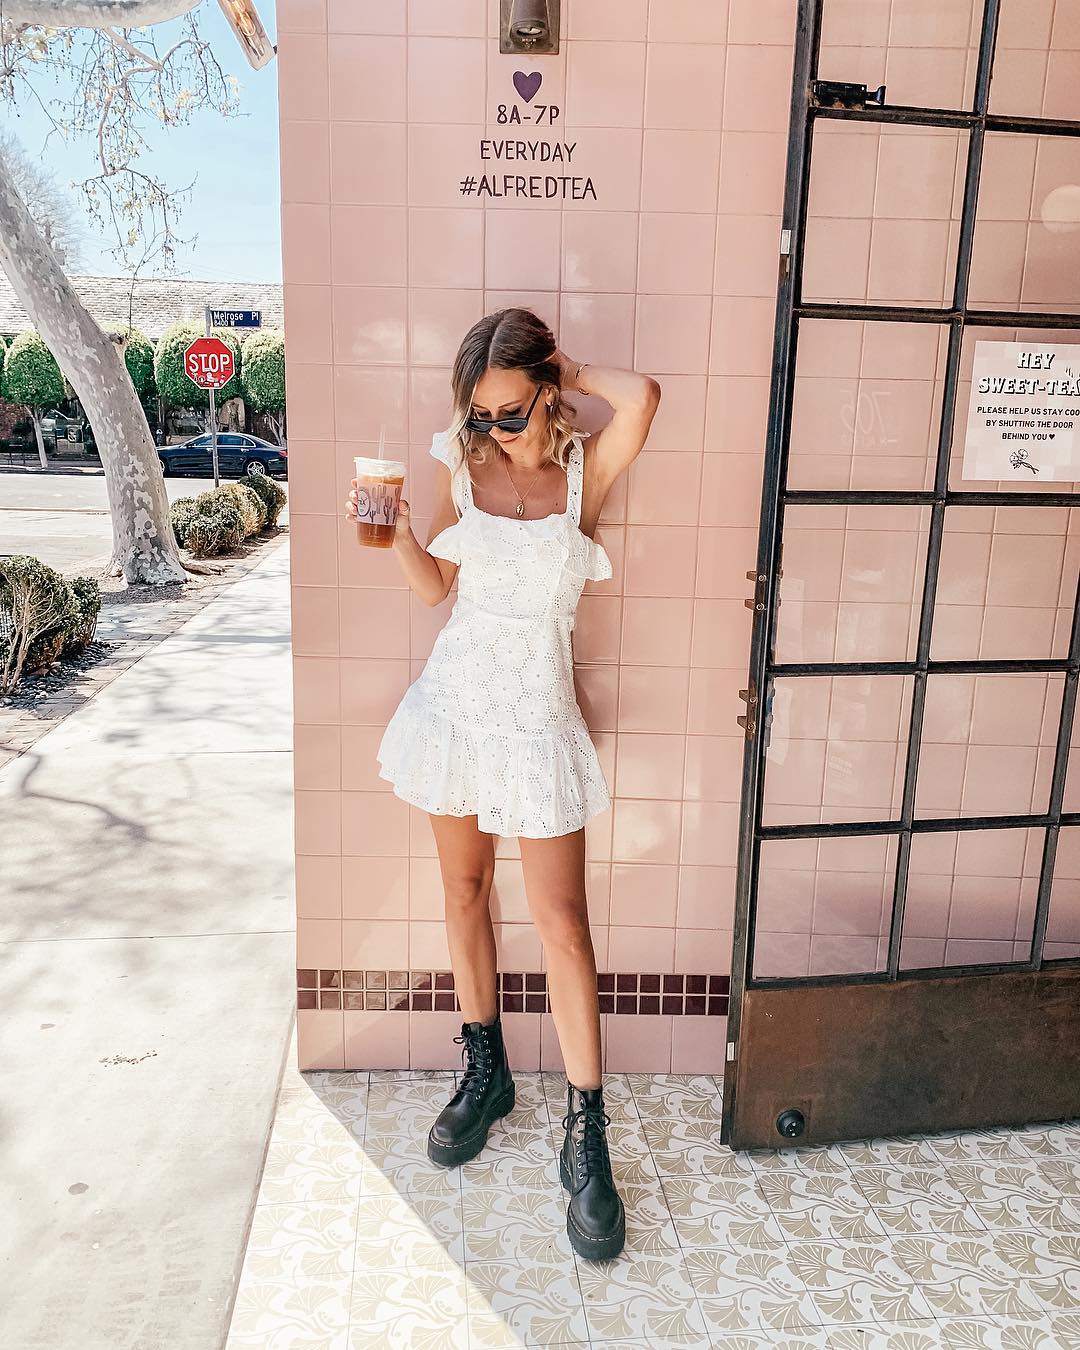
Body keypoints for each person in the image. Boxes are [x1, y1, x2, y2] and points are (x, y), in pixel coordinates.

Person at [344, 306, 660, 1261]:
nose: (492, 432)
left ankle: (587, 1129)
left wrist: (573, 366)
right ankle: (486, 1074)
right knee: (465, 892)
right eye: (479, 416)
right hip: (455, 707)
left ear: (548, 392)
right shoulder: (461, 464)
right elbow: (438, 591)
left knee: (564, 925)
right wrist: (393, 533)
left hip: (539, 720)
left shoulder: (582, 474)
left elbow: (643, 398)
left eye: (509, 413)